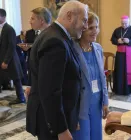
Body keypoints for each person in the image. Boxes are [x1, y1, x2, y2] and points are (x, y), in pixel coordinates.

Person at [26, 1, 88, 140]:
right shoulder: (55, 41)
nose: (85, 26)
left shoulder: (58, 36)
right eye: (84, 20)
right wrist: (61, 129)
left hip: (60, 117)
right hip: (52, 124)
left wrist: (72, 118)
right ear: (70, 16)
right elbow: (50, 91)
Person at [71, 12, 109, 140]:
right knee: (83, 136)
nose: (95, 31)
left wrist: (105, 101)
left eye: (96, 27)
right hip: (81, 103)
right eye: (91, 28)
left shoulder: (98, 48)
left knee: (96, 135)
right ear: (82, 28)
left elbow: (102, 77)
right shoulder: (72, 49)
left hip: (97, 101)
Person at [18, 7, 52, 99]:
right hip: (34, 75)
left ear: (41, 20)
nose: (30, 21)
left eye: (33, 18)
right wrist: (30, 85)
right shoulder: (33, 33)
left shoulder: (52, 36)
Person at [110, 15, 131, 95]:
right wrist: (117, 41)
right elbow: (112, 40)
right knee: (120, 71)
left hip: (130, 53)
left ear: (129, 22)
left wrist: (129, 41)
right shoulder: (117, 30)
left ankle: (130, 89)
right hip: (120, 54)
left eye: (125, 23)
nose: (124, 25)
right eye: (122, 23)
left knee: (129, 71)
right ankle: (119, 89)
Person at [0, 8, 25, 104]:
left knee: (16, 79)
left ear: (3, 16)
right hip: (1, 57)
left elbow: (11, 46)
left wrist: (6, 61)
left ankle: (21, 97)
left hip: (10, 59)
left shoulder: (9, 29)